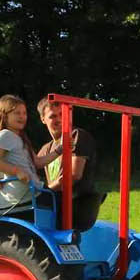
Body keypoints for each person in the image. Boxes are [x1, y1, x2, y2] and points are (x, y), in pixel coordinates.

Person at [34, 96, 101, 225]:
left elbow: (73, 175)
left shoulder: (76, 135)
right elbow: (30, 166)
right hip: (57, 205)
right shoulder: (46, 149)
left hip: (76, 205)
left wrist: (46, 191)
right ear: (43, 119)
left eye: (62, 114)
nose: (59, 119)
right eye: (53, 116)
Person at [0, 94, 40, 209]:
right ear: (4, 116)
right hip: (17, 200)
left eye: (24, 113)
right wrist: (17, 171)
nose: (22, 117)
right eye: (17, 113)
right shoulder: (5, 134)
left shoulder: (21, 137)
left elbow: (37, 162)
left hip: (30, 193)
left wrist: (60, 150)